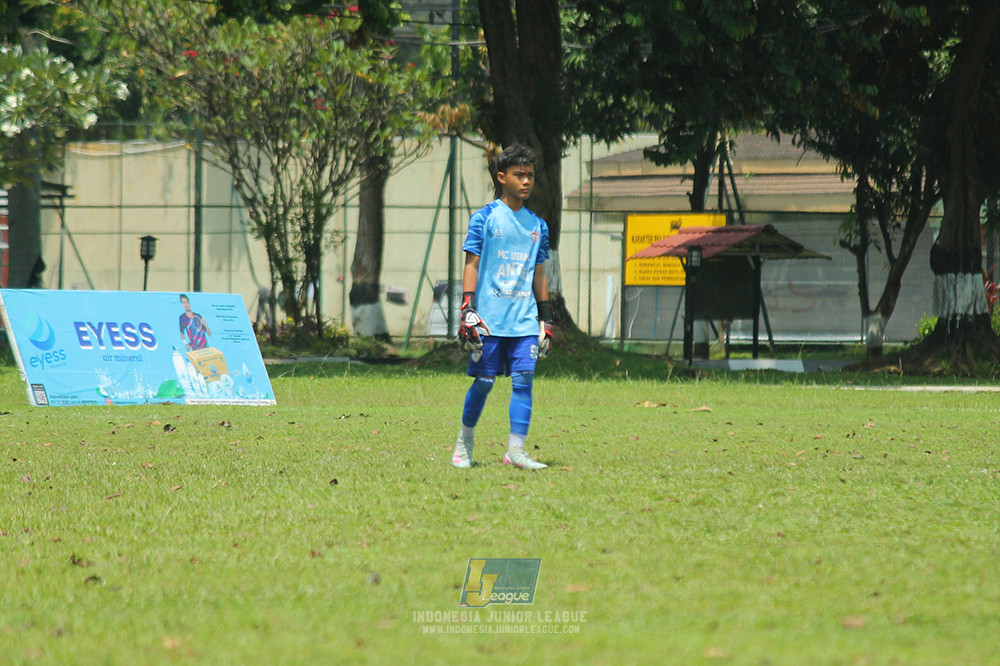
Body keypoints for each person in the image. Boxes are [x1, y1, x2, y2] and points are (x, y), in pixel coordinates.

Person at [452, 144, 554, 470]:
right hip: (490, 321)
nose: (526, 181)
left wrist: (546, 318)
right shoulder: (484, 218)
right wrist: (468, 308)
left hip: (524, 321)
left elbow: (539, 274)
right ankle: (464, 444)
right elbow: (471, 264)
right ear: (502, 177)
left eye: (530, 176)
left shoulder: (538, 225)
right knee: (484, 382)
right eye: (518, 175)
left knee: (524, 380)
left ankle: (516, 452)